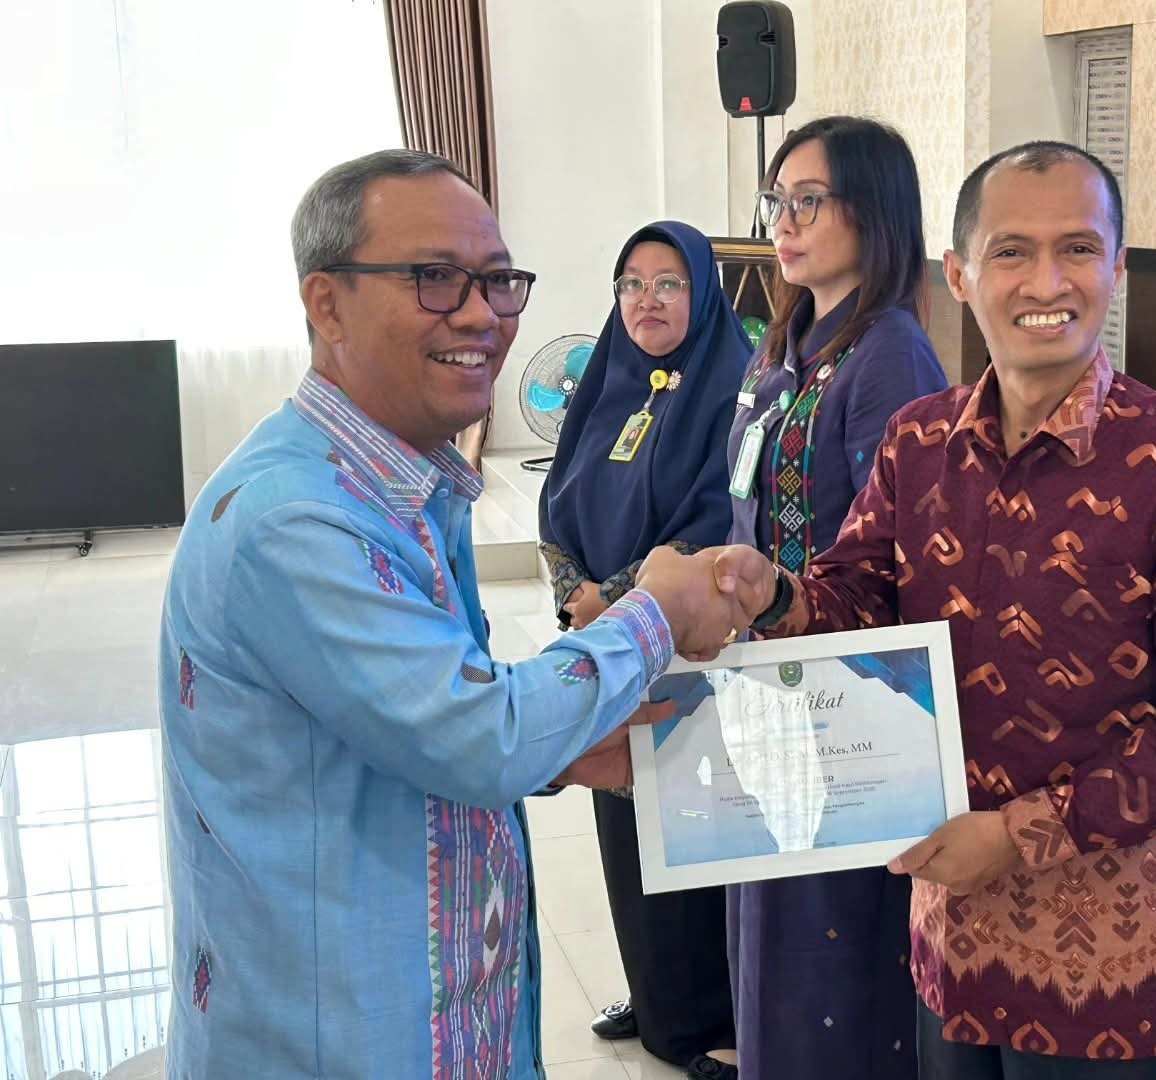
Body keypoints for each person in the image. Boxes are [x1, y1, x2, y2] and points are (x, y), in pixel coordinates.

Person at [158, 149, 742, 1079]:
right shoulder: (297, 519)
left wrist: (555, 753)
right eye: (434, 278)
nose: (481, 315)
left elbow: (420, 710)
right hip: (342, 1044)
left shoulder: (408, 487)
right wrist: (656, 610)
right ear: (326, 304)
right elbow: (481, 733)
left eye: (498, 281)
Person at [706, 141, 1156, 1077]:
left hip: (1113, 962)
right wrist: (772, 595)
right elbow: (859, 601)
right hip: (955, 938)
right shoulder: (919, 441)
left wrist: (1020, 837)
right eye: (1011, 250)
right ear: (961, 274)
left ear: (1119, 268)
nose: (1046, 282)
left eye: (1078, 249)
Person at [723, 115, 948, 1079]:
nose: (784, 221)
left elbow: (899, 557)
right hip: (768, 680)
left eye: (808, 201)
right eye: (777, 201)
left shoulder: (889, 354)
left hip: (845, 700)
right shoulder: (790, 339)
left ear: (874, 211)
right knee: (771, 942)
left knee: (832, 958)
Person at [539, 221, 748, 1078]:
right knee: (622, 824)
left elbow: (716, 513)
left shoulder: (729, 386)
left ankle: (713, 1017)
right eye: (631, 283)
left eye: (669, 283)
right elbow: (557, 498)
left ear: (703, 295)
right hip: (608, 644)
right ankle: (654, 993)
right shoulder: (608, 383)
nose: (646, 300)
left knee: (688, 827)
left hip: (689, 646)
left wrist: (619, 596)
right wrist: (575, 594)